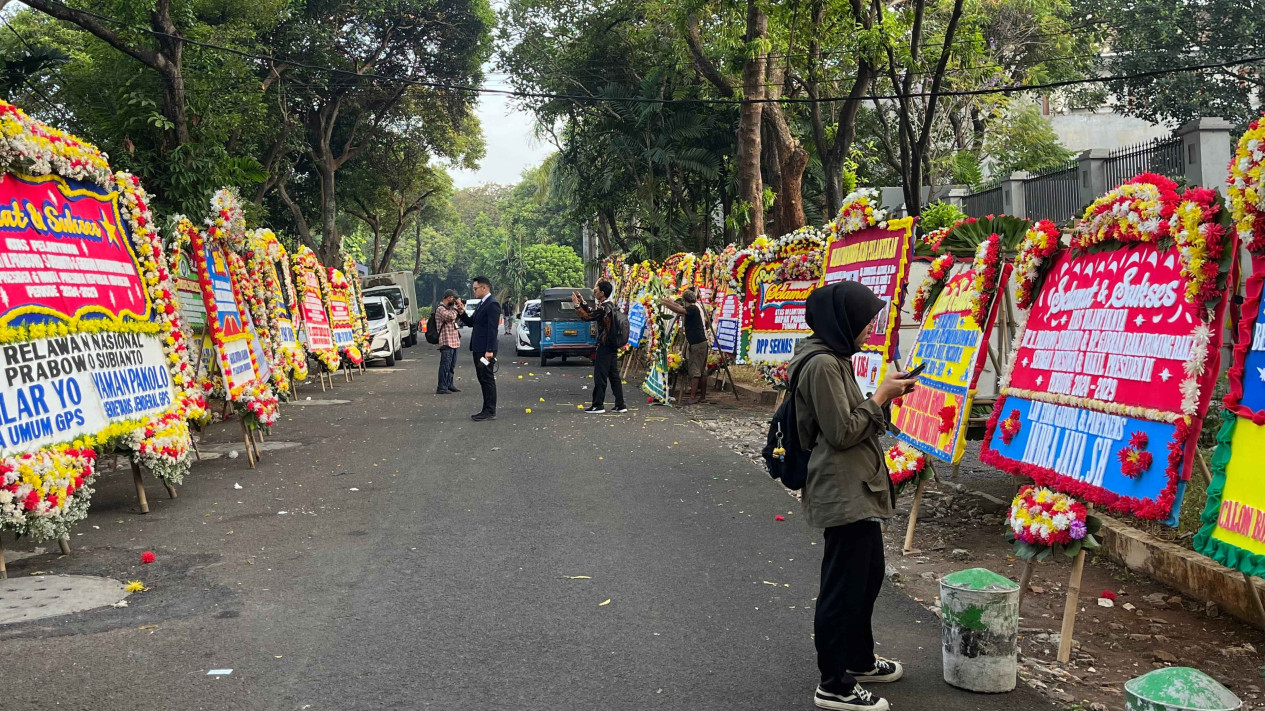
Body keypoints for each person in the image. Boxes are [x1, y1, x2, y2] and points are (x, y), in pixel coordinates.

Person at [786, 281, 917, 711]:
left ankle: (858, 658)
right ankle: (834, 683)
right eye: (862, 323)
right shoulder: (822, 364)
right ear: (841, 322)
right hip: (841, 490)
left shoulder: (834, 358)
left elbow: (844, 417)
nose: (867, 330)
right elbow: (841, 432)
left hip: (856, 487)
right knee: (843, 587)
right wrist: (879, 397)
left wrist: (882, 396)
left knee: (867, 575)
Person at [572, 280, 627, 414]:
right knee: (613, 375)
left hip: (605, 345)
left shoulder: (604, 308)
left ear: (602, 293)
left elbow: (587, 317)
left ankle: (598, 405)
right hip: (612, 344)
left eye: (596, 289)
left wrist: (576, 306)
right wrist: (582, 302)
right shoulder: (609, 306)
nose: (594, 291)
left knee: (600, 375)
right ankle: (620, 404)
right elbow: (593, 312)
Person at [458, 276, 500, 421]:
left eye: (476, 289)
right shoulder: (482, 303)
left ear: (484, 288)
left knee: (487, 378)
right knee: (482, 378)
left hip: (486, 350)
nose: (474, 291)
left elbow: (492, 329)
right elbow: (471, 322)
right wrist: (462, 312)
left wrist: (489, 350)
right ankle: (485, 409)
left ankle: (490, 411)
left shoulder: (492, 304)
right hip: (478, 348)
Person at [658, 288, 710, 404]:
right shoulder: (694, 307)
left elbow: (678, 309)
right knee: (701, 370)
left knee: (695, 371)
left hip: (697, 344)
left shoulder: (693, 308)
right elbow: (676, 305)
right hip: (701, 343)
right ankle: (702, 397)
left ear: (685, 300)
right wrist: (665, 301)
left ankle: (692, 398)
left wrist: (663, 303)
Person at [433, 290, 463, 395]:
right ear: (449, 298)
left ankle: (449, 384)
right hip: (446, 341)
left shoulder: (451, 309)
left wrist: (460, 307)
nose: (454, 301)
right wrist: (455, 307)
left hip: (454, 341)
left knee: (451, 366)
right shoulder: (440, 309)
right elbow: (450, 316)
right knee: (445, 365)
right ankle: (442, 386)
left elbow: (459, 316)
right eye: (453, 299)